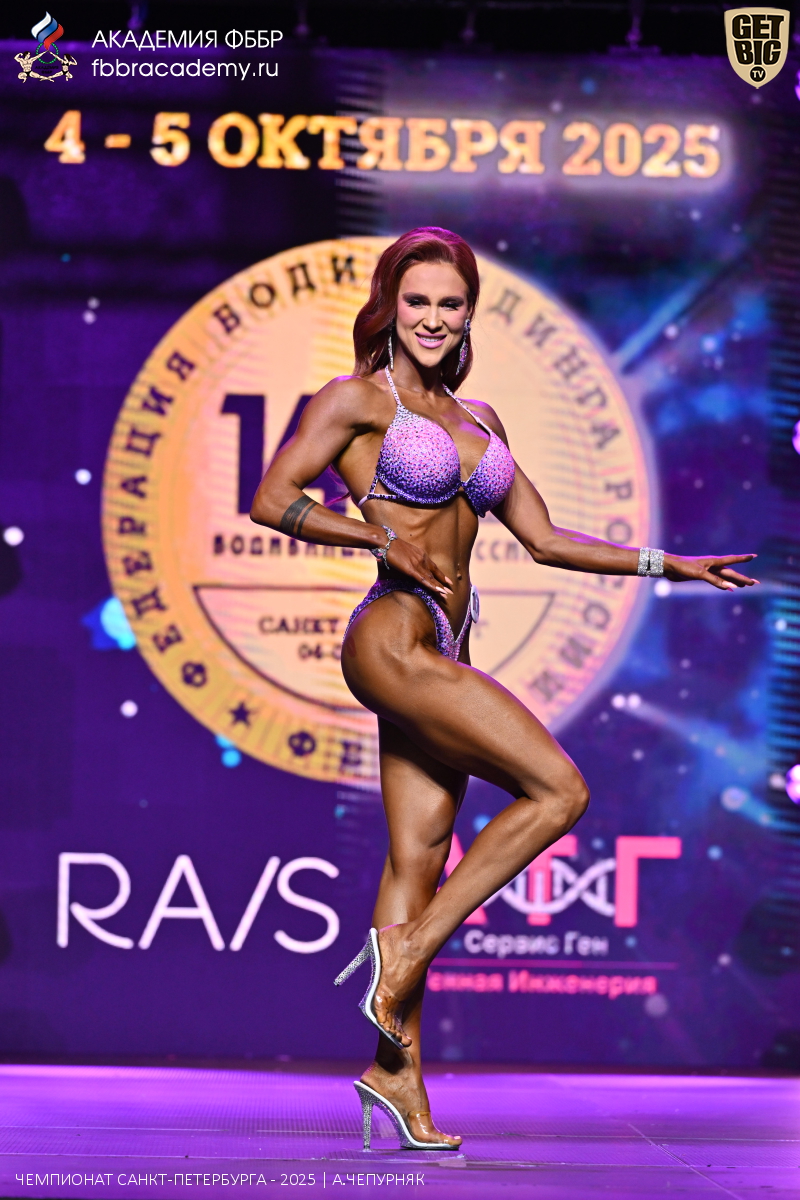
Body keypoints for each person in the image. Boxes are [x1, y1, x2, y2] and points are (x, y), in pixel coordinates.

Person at [250, 227, 758, 1151]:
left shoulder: (480, 418)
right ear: (389, 308)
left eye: (449, 303)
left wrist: (668, 564)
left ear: (468, 313)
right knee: (559, 789)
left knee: (418, 859)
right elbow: (272, 497)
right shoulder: (355, 399)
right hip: (391, 631)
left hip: (447, 638)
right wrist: (376, 537)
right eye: (417, 301)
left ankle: (394, 1074)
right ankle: (404, 951)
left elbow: (548, 539)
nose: (432, 318)